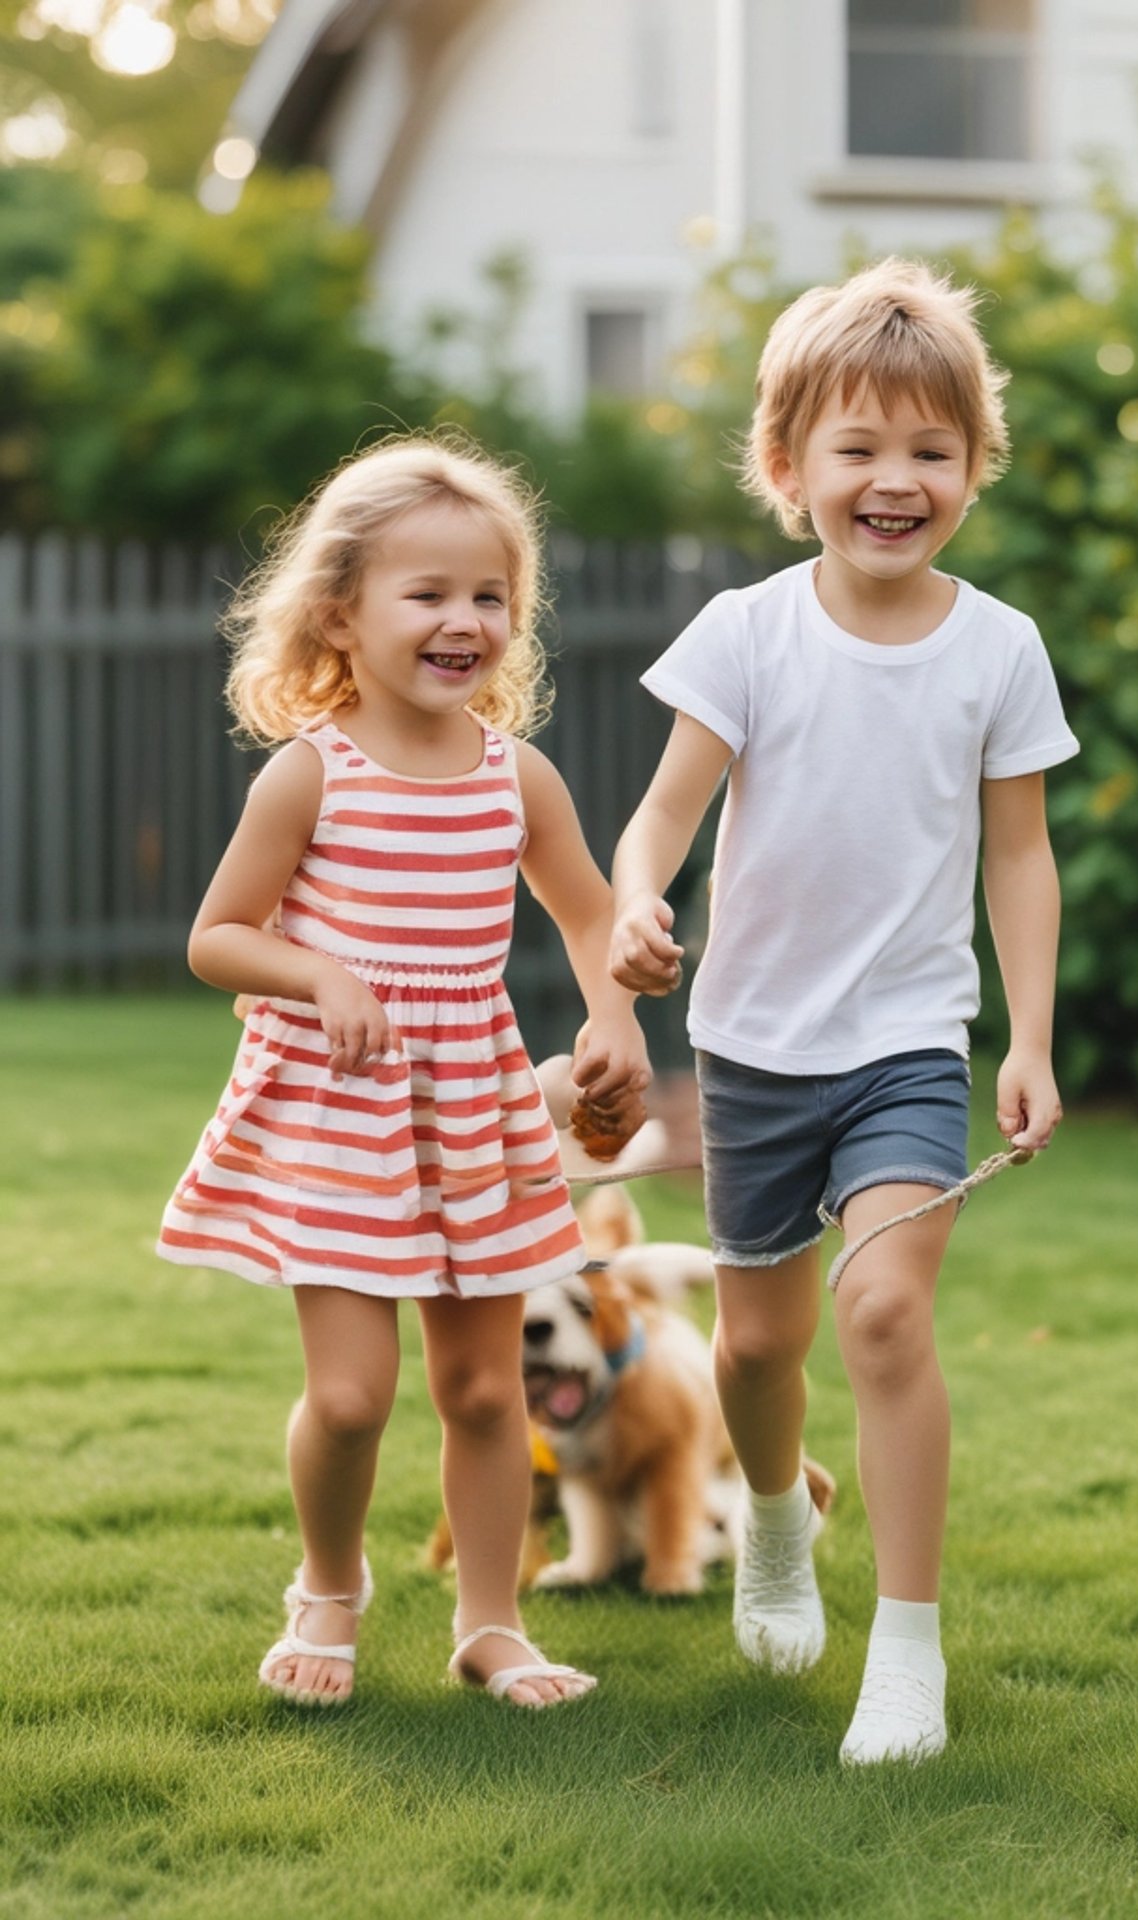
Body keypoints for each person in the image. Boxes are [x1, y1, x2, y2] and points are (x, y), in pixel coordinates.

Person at [608, 259, 1077, 1764]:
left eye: (931, 452)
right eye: (859, 449)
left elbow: (1020, 851)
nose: (895, 480)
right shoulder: (748, 633)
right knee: (757, 1350)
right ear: (787, 463)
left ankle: (909, 1655)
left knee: (880, 1313)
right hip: (750, 1044)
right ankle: (770, 1518)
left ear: (973, 470)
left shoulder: (997, 646)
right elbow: (661, 816)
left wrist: (1033, 1039)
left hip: (909, 1043)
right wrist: (635, 905)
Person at [158, 437, 648, 1709]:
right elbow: (218, 937)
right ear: (341, 611)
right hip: (343, 1114)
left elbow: (590, 915)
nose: (463, 622)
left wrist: (613, 1023)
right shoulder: (312, 773)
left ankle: (492, 1625)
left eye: (489, 597)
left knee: (486, 1389)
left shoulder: (514, 778)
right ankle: (328, 1586)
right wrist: (321, 977)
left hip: (473, 1114)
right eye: (426, 595)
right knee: (353, 1393)